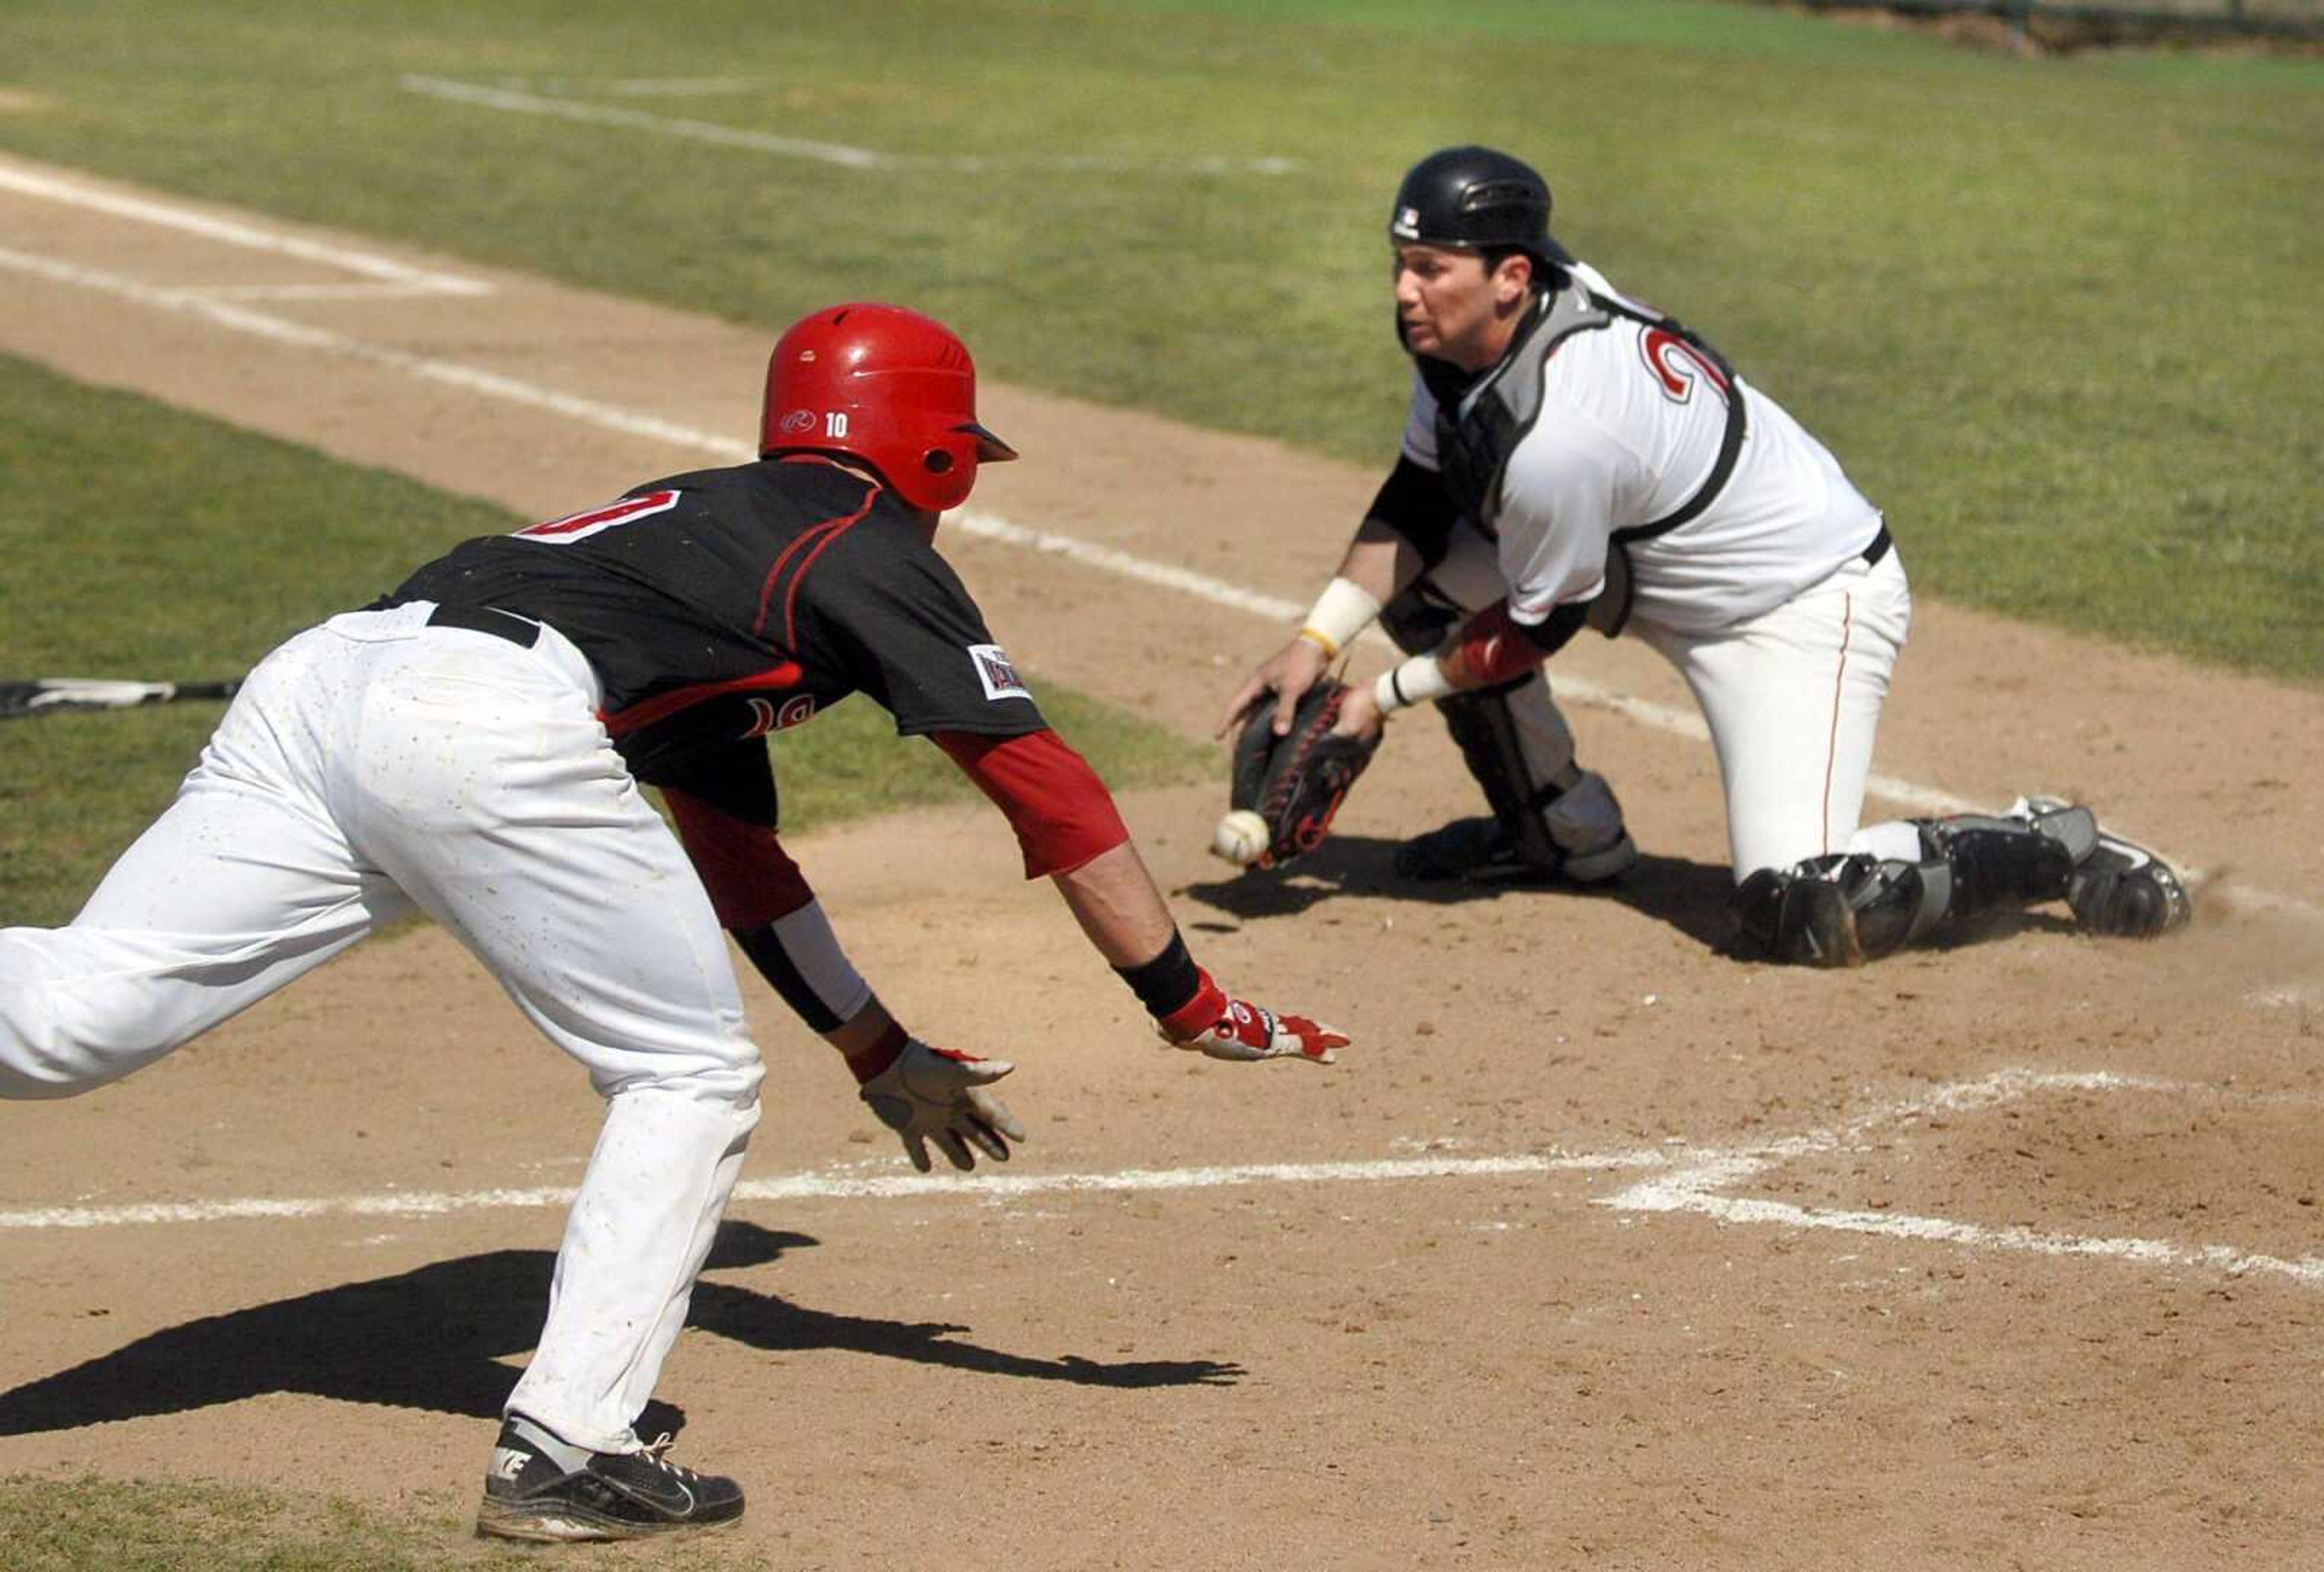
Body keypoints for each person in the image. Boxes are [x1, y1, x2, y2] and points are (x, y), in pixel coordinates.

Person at [0, 302, 1348, 1543]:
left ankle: (572, 1443)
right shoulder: (864, 546)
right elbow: (1045, 787)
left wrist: (877, 1051)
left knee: (80, 1011)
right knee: (686, 1073)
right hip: (481, 723)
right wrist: (1184, 1000)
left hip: (326, 683)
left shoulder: (709, 530)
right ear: (935, 458)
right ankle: (569, 1450)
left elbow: (734, 848)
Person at [1218, 146, 2189, 965]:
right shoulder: (1474, 337)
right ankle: (1562, 839)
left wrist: (1377, 699)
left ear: (1512, 277)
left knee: (1803, 907)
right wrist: (1315, 638)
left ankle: (2049, 842)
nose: (1405, 290)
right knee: (1424, 593)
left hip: (1797, 604)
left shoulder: (1563, 428)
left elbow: (1536, 626)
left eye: (1431, 267)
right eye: (1400, 260)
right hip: (1650, 565)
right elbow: (1423, 497)